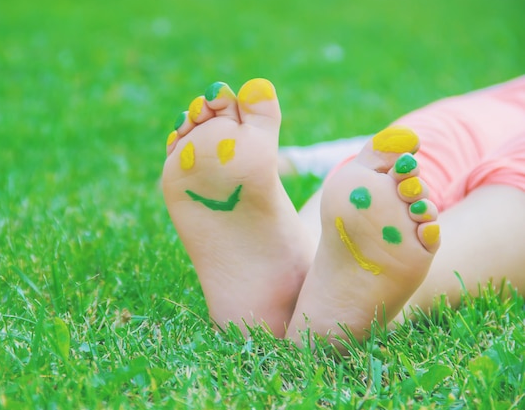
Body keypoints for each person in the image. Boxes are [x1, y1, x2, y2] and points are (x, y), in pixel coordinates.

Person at [161, 76, 525, 350]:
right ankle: (308, 271)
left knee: (423, 147)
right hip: (498, 108)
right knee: (414, 148)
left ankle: (323, 278)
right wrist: (300, 160)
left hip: (492, 110)